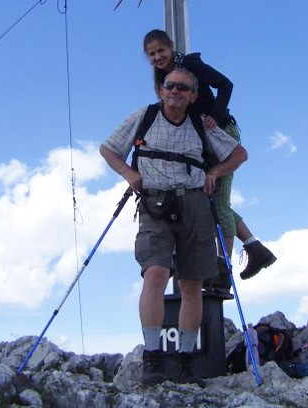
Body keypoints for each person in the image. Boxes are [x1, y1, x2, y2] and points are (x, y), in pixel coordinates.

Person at [100, 68, 248, 385]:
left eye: (183, 87)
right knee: (155, 274)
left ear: (193, 96)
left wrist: (215, 172)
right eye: (170, 85)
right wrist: (129, 173)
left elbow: (239, 153)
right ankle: (153, 357)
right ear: (162, 90)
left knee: (192, 284)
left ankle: (184, 359)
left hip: (194, 204)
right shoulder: (145, 116)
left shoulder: (199, 123)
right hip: (154, 205)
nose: (176, 91)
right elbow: (109, 148)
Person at [143, 29, 276, 286]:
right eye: (152, 54)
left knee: (217, 201)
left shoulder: (190, 64)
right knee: (208, 197)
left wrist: (217, 114)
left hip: (220, 133)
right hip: (201, 140)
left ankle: (222, 267)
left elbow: (225, 84)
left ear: (171, 48)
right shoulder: (163, 77)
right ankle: (254, 248)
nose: (158, 56)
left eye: (161, 50)